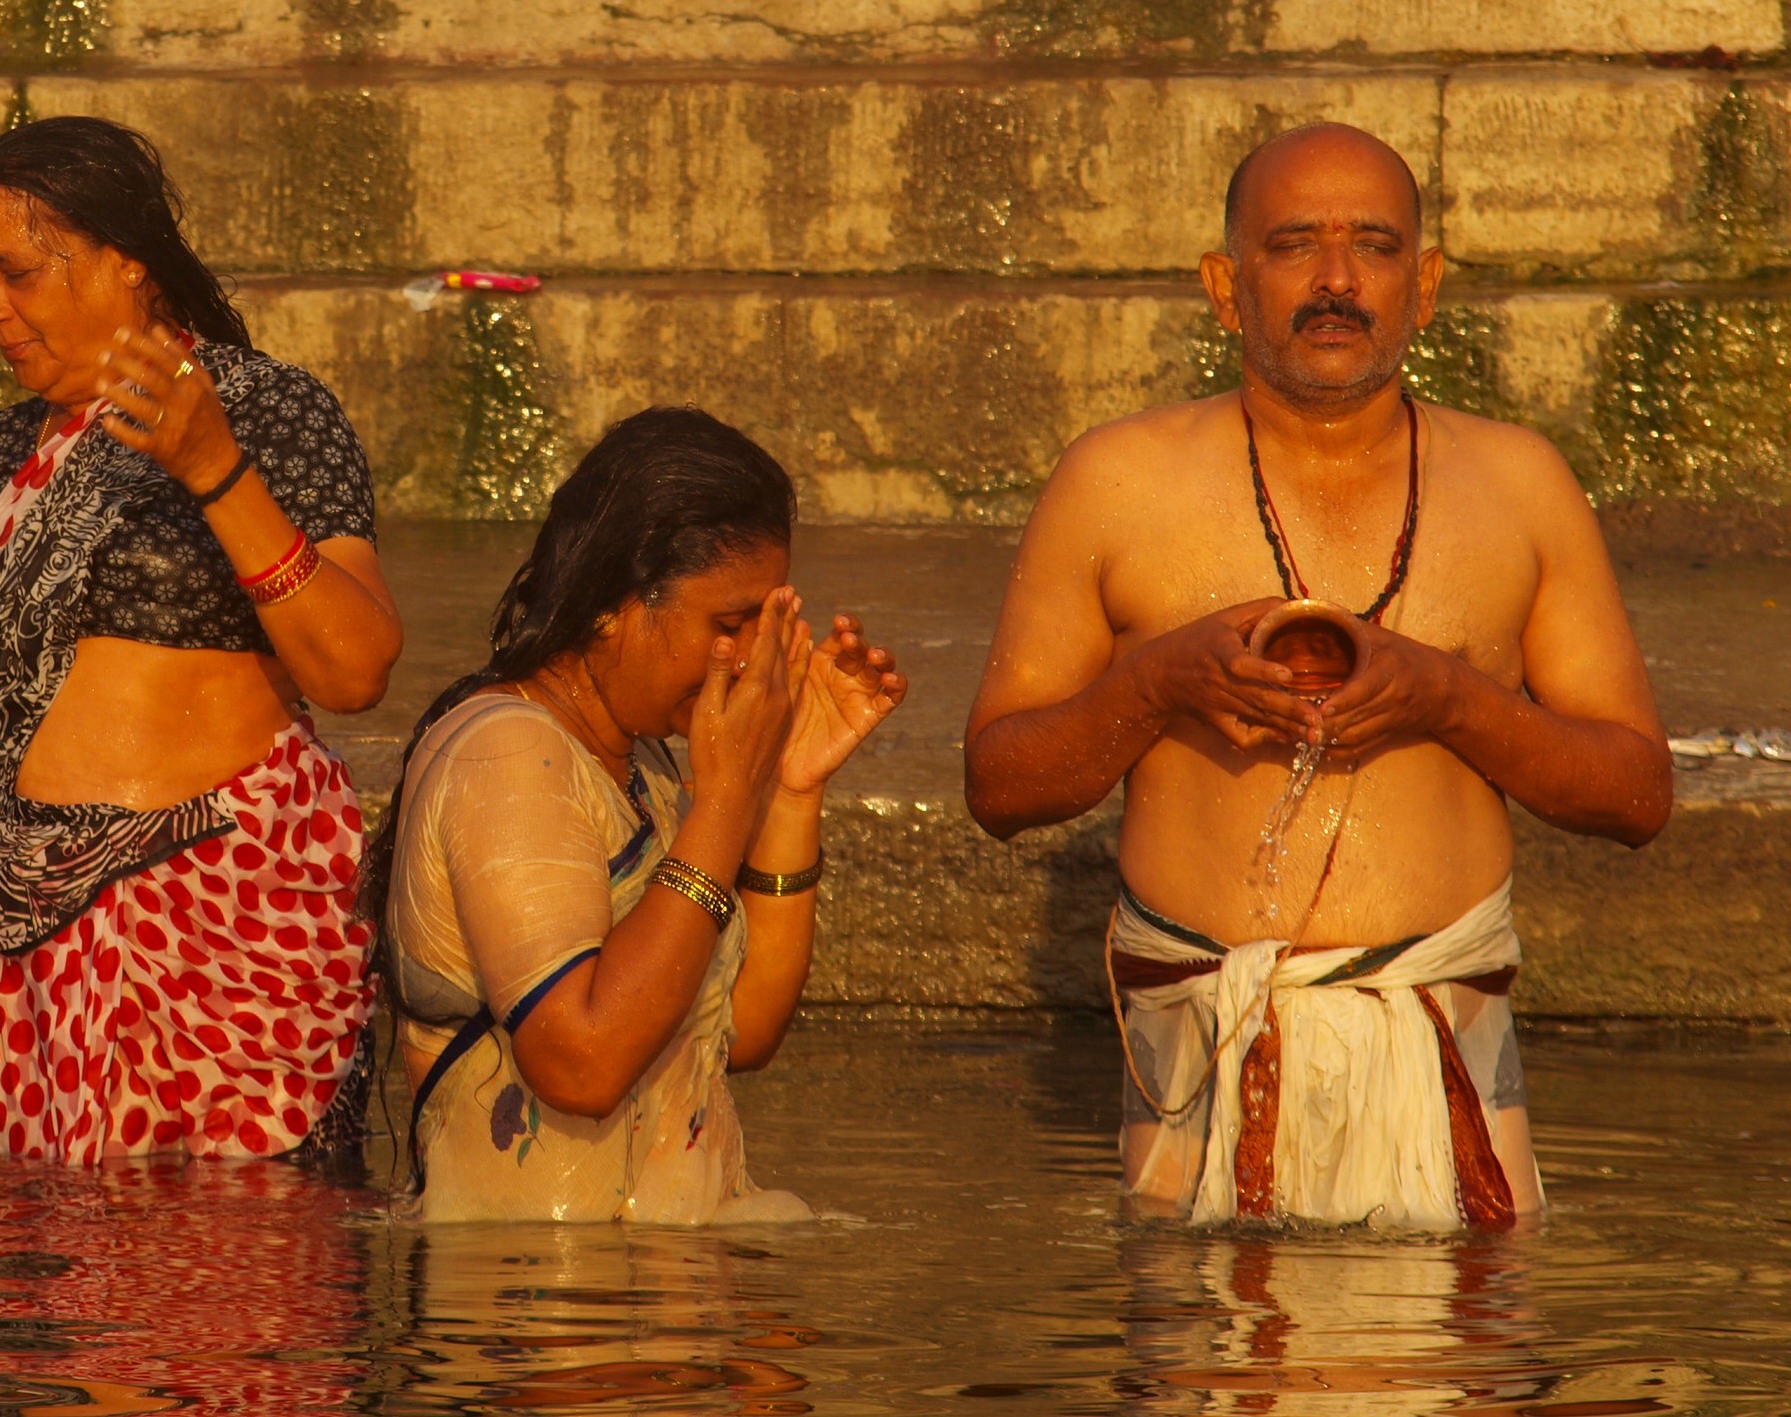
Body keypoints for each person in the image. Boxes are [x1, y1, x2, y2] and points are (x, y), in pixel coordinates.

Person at [963, 122, 1671, 1230]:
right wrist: (1154, 686)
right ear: (1223, 285)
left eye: (1375, 248)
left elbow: (1636, 796)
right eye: (1294, 245)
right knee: (1199, 1381)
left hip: (1444, 1047)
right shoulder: (1114, 482)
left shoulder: (1519, 484)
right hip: (1197, 1057)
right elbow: (999, 788)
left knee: (1457, 1377)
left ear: (1424, 285)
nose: (1336, 280)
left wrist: (1450, 699)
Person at [0, 115, 401, 1165]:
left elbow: (355, 667)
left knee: (221, 1300)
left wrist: (214, 473)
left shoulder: (269, 411)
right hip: (29, 953)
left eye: (13, 271)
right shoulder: (12, 448)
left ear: (125, 263)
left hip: (218, 936)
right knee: (38, 1308)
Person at [382, 409, 906, 1223]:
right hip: (534, 1321)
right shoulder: (508, 754)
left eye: (763, 630)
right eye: (729, 627)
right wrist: (729, 796)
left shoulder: (641, 771)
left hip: (654, 1296)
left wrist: (791, 787)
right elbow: (581, 1062)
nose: (750, 662)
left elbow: (745, 1029)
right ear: (612, 602)